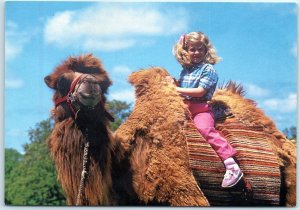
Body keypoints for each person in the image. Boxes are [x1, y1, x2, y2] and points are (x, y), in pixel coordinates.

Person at [171, 31, 243, 188]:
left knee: (205, 130)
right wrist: (173, 84)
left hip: (201, 108)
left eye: (200, 49)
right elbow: (183, 89)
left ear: (206, 51)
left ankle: (231, 165)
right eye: (192, 49)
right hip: (184, 109)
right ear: (185, 51)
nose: (196, 53)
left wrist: (176, 90)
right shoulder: (185, 71)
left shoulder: (208, 69)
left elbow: (200, 91)